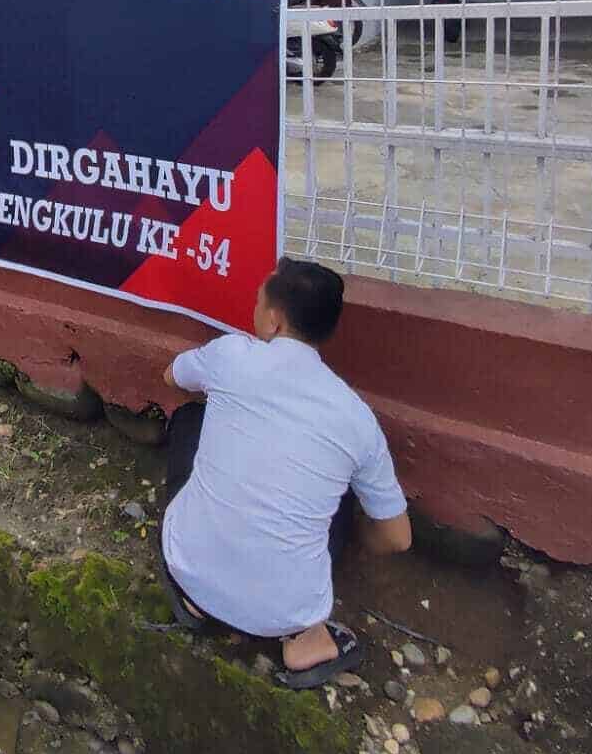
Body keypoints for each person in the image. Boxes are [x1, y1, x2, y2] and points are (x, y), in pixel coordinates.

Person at [160, 257, 411, 689]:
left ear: (273, 321)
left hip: (186, 565)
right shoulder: (357, 418)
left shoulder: (230, 354)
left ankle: (196, 603)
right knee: (336, 495)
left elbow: (171, 377)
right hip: (285, 611)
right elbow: (398, 537)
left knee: (188, 421)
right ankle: (306, 642)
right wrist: (349, 534)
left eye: (259, 302)